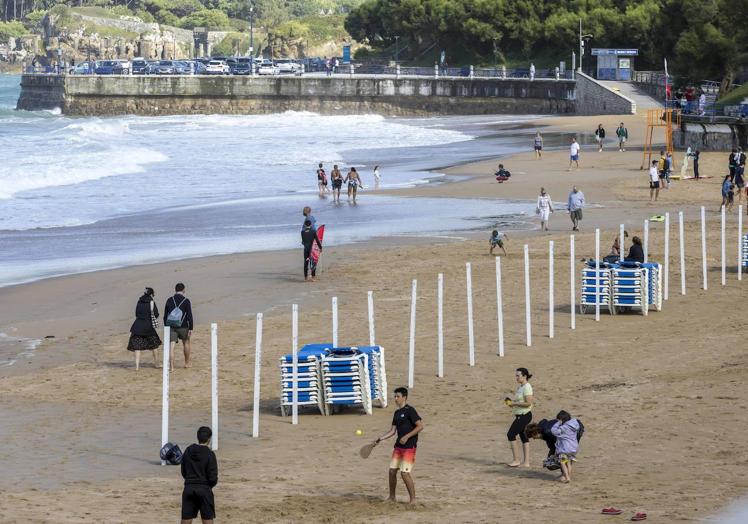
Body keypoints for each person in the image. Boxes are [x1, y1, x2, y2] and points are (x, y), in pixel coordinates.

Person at [372, 387, 423, 504]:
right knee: (391, 471)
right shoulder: (396, 413)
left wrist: (407, 436)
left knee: (404, 473)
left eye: (397, 396)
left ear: (404, 397)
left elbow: (420, 426)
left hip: (409, 447)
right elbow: (392, 431)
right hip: (398, 448)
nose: (395, 399)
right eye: (394, 396)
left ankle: (413, 500)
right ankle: (392, 497)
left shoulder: (410, 410)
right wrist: (379, 439)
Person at [180, 426, 218, 524]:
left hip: (189, 488)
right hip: (204, 489)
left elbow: (183, 471)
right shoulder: (210, 454)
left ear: (197, 437)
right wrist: (208, 485)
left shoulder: (188, 451)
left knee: (186, 518)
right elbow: (213, 477)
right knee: (207, 519)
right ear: (209, 439)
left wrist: (190, 480)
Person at [127, 287, 161, 370]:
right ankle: (157, 363)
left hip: (137, 326)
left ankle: (137, 366)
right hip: (148, 326)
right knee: (154, 345)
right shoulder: (151, 302)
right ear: (152, 294)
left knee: (137, 347)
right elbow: (156, 314)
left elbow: (137, 313)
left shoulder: (139, 301)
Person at [505, 367, 533, 467]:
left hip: (524, 415)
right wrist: (512, 403)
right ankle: (526, 462)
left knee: (511, 434)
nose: (516, 377)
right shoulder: (521, 387)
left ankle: (516, 460)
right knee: (523, 436)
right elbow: (520, 402)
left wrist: (514, 404)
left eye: (518, 376)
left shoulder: (527, 387)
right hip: (521, 415)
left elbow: (528, 403)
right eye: (516, 376)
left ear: (524, 376)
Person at [164, 283, 194, 370]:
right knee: (186, 343)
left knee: (172, 346)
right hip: (183, 325)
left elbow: (165, 315)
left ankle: (172, 366)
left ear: (175, 290)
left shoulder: (169, 300)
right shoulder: (186, 301)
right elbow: (189, 316)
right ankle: (187, 363)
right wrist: (191, 327)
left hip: (171, 326)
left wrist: (166, 326)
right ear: (183, 290)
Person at [550, 410, 581, 483]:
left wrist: (558, 423)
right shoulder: (574, 425)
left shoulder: (564, 428)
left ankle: (567, 477)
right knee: (569, 463)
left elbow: (553, 431)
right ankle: (568, 476)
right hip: (573, 448)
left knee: (563, 462)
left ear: (561, 419)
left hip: (565, 449)